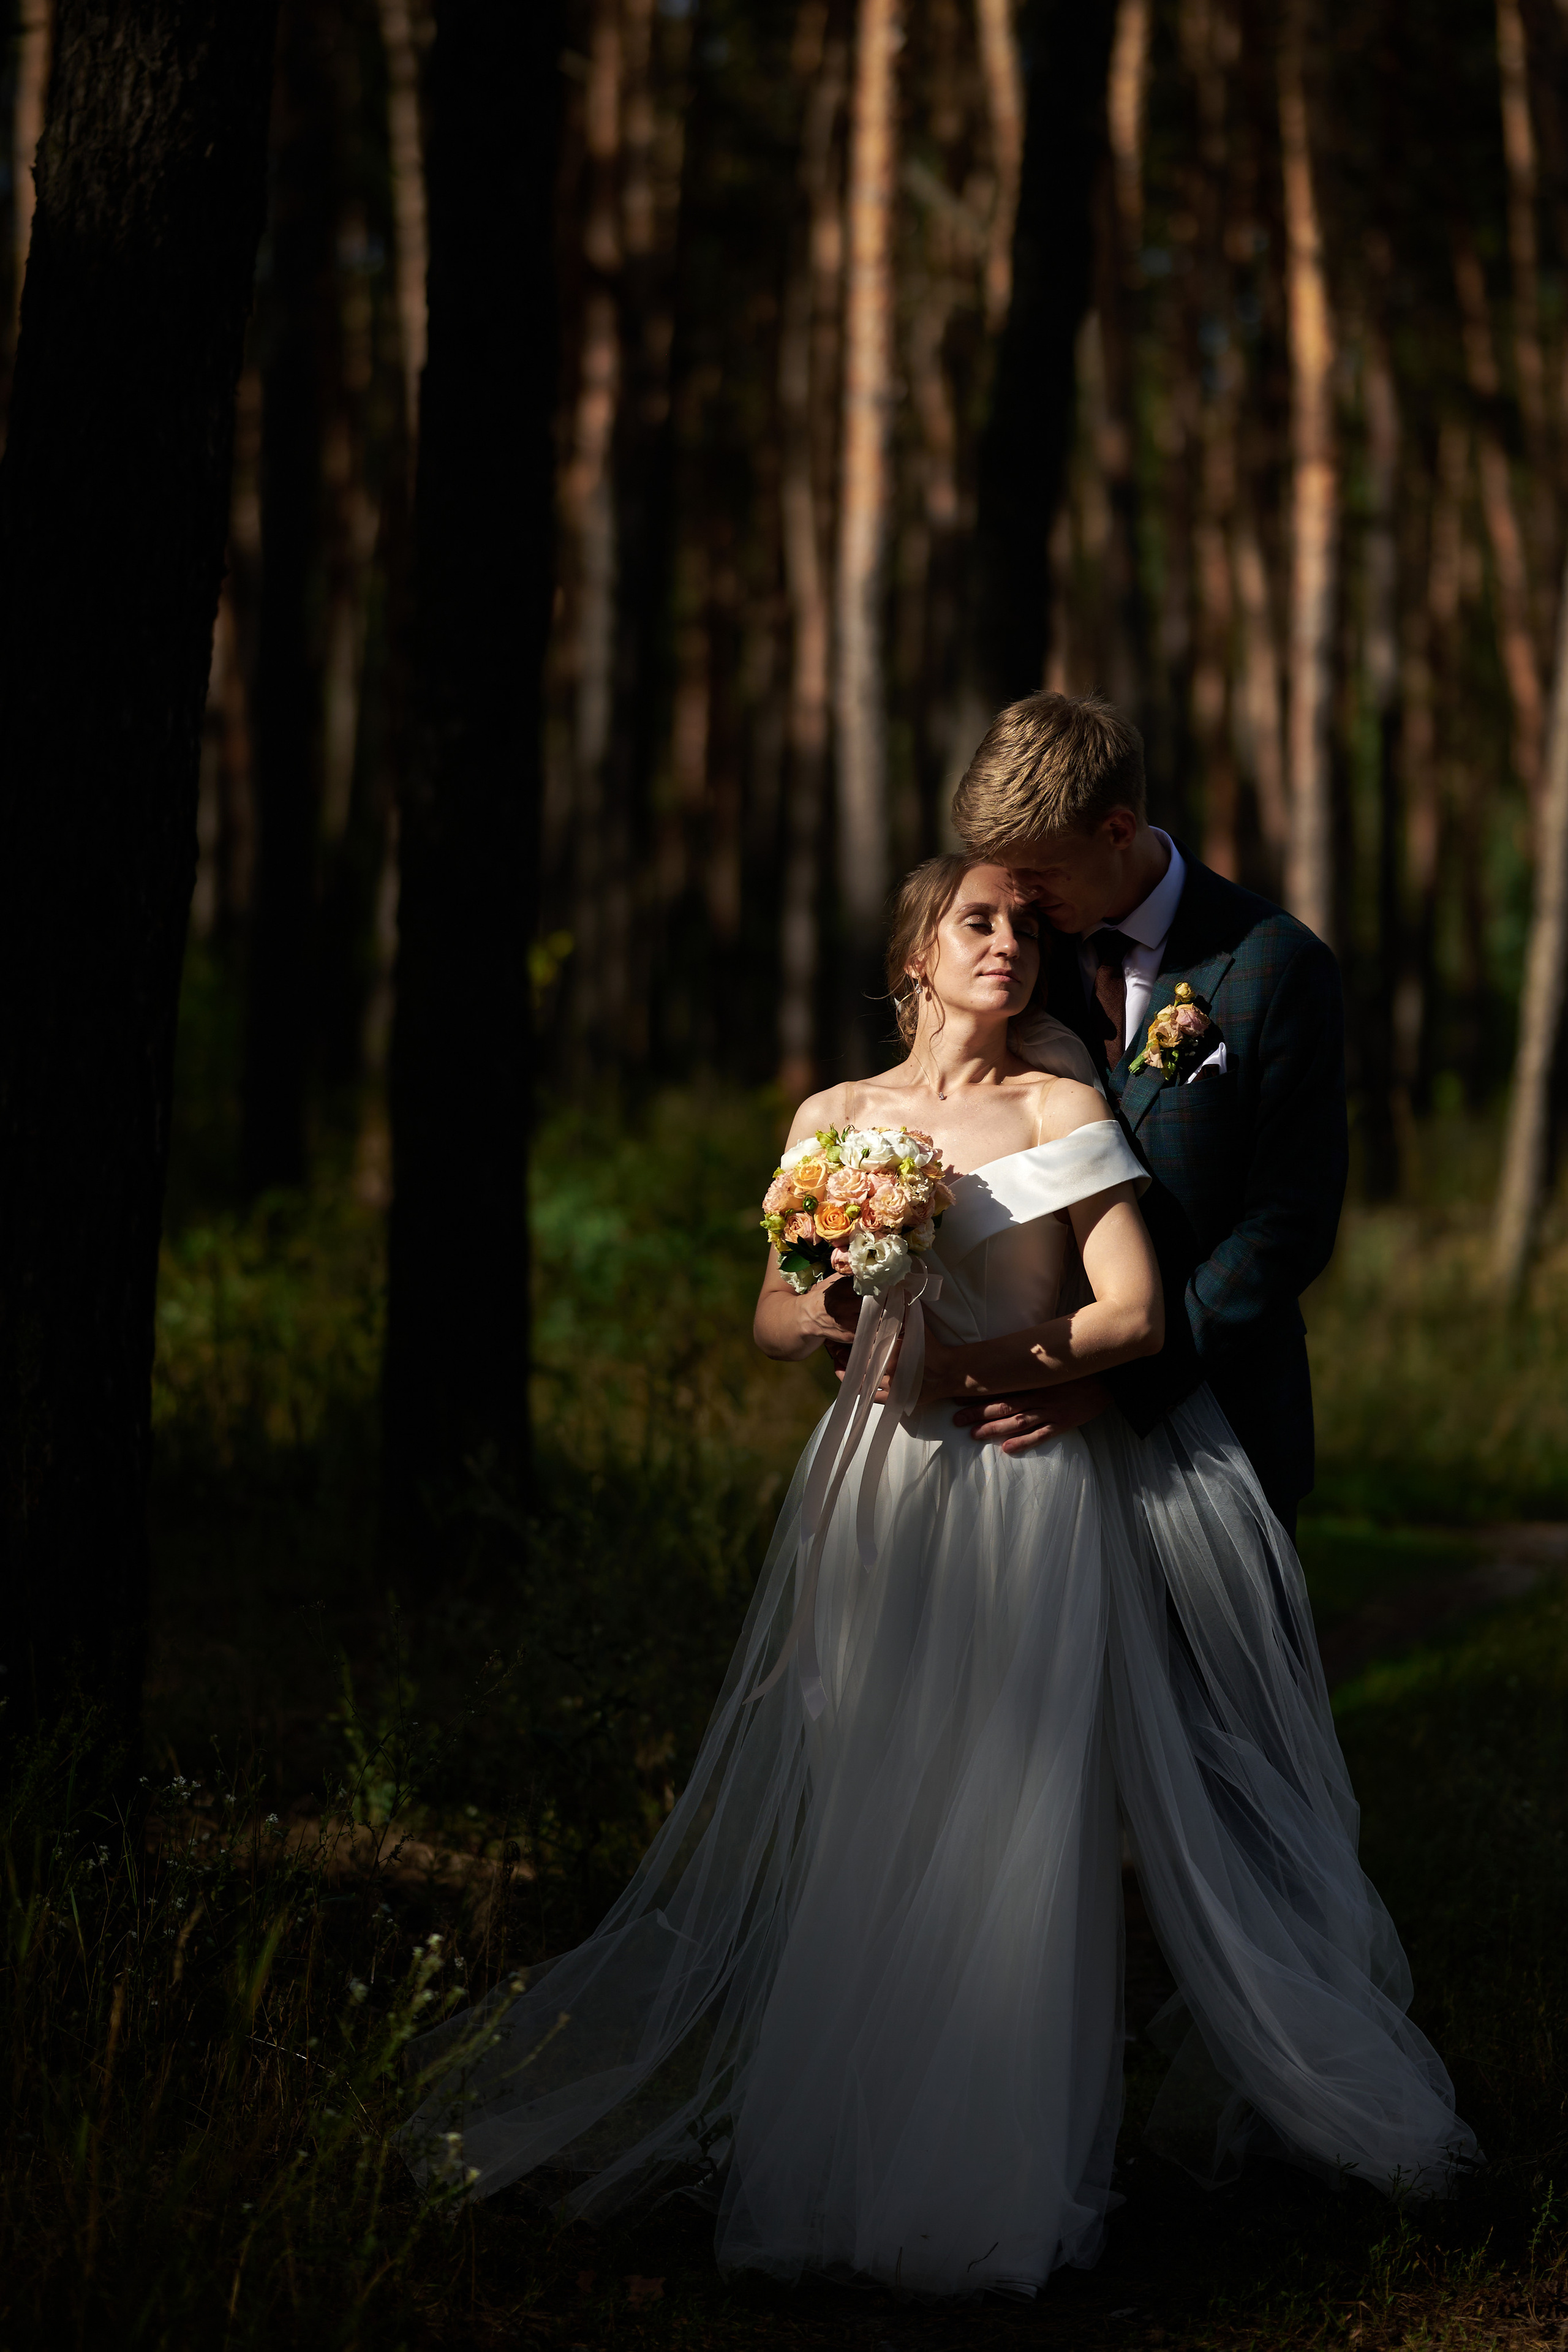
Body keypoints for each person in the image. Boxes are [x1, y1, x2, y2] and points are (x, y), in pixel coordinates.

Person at [402, 853, 1474, 2295]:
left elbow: (1138, 1314)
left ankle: (992, 2186)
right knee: (872, 1805)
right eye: (979, 921)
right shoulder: (836, 1121)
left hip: (1031, 1490)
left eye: (1028, 929)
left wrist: (956, 1369)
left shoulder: (1062, 1105)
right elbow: (774, 1320)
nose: (1010, 946)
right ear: (913, 950)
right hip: (876, 1498)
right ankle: (844, 2164)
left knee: (1015, 1825)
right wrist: (840, 1308)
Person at [949, 690, 1345, 1541]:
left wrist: (1121, 1376)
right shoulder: (1017, 958)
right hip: (1023, 1445)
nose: (1019, 897)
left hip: (1216, 1421)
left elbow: (1290, 1223)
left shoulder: (1275, 965)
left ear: (1117, 831)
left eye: (1041, 871)